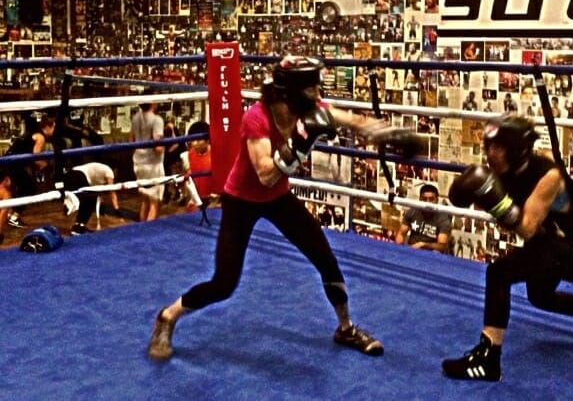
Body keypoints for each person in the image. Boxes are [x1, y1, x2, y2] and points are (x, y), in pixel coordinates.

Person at [147, 55, 422, 361]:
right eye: (311, 88)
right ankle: (167, 317)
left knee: (325, 258)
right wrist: (299, 146)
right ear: (291, 91)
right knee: (224, 283)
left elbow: (354, 121)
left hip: (278, 198)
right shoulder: (257, 118)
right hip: (241, 201)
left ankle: (345, 328)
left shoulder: (311, 109)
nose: (318, 93)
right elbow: (265, 174)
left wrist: (390, 134)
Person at [443, 114, 573, 381]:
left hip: (567, 243)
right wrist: (489, 199)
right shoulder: (507, 172)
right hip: (546, 240)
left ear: (516, 148)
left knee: (499, 273)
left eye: (498, 147)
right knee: (541, 297)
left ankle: (489, 360)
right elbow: (514, 222)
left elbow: (525, 227)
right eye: (489, 146)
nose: (491, 154)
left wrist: (496, 202)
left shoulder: (548, 176)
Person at [3, 115, 57, 228]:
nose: (54, 131)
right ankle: (14, 216)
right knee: (29, 188)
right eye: (53, 128)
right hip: (14, 163)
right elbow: (36, 157)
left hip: (10, 161)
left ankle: (11, 214)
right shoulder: (40, 137)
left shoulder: (32, 132)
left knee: (17, 188)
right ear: (47, 127)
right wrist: (45, 164)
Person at [130, 103, 165, 221]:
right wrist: (167, 142)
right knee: (154, 202)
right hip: (152, 163)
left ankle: (142, 227)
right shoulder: (157, 120)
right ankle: (149, 229)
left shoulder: (135, 118)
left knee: (145, 199)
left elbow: (131, 140)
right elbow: (158, 147)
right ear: (153, 103)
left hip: (138, 161)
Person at [63, 162, 120, 235]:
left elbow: (96, 191)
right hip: (78, 175)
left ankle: (78, 226)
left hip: (69, 176)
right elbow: (111, 190)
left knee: (88, 199)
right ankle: (77, 220)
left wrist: (102, 204)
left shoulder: (99, 171)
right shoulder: (109, 171)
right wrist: (116, 209)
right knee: (90, 199)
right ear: (115, 170)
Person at [395, 184, 452, 253]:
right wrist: (399, 250)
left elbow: (442, 246)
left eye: (431, 199)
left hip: (431, 254)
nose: (428, 202)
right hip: (412, 250)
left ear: (437, 200)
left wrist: (424, 245)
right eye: (424, 199)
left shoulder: (443, 218)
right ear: (420, 199)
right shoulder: (413, 211)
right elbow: (401, 234)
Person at [180, 121, 215, 211]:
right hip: (197, 198)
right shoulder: (190, 154)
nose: (194, 143)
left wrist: (217, 199)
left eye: (199, 140)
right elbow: (190, 175)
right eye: (193, 140)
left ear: (207, 140)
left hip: (213, 199)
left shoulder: (216, 154)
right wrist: (192, 198)